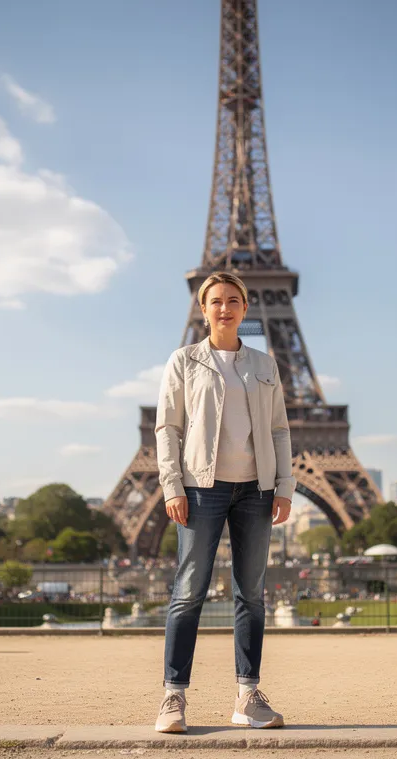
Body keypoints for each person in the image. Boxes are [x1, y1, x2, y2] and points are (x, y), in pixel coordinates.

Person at [153, 272, 294, 734]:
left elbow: (279, 430)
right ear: (203, 308)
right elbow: (168, 427)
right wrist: (172, 485)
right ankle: (174, 697)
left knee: (251, 594)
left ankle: (247, 695)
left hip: (256, 489)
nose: (225, 308)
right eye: (216, 301)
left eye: (234, 300)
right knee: (189, 590)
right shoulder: (185, 360)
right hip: (201, 487)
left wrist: (285, 485)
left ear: (247, 307)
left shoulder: (265, 363)